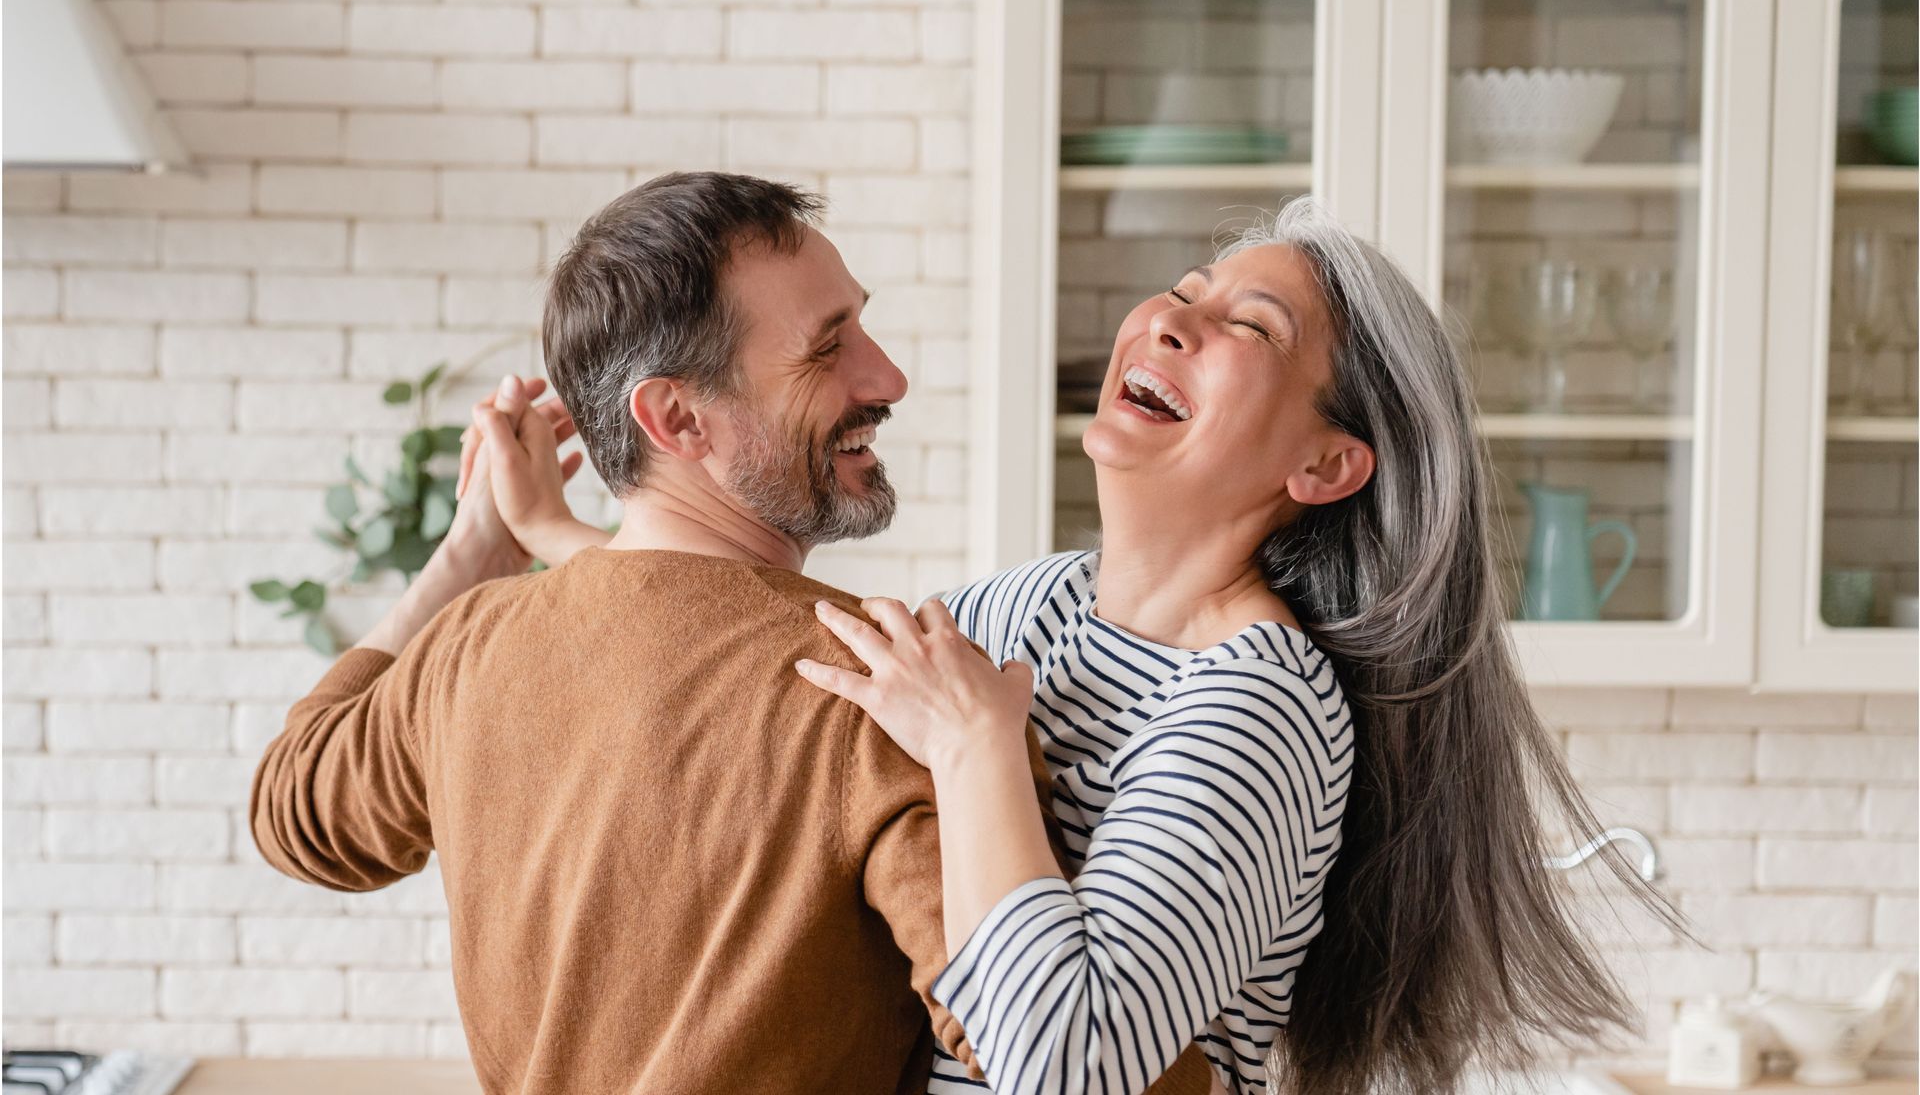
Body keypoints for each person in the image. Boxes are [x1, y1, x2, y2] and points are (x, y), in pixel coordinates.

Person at [472, 195, 1683, 1095]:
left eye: (1244, 326)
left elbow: (1068, 1062)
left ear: (1325, 463)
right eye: (1188, 290)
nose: (1168, 318)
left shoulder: (1256, 704)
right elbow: (796, 657)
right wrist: (555, 530)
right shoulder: (1036, 608)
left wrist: (980, 752)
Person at [254, 173, 1016, 1094]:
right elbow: (1055, 1050)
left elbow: (295, 814)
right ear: (677, 419)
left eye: (859, 322)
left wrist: (468, 554)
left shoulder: (468, 647)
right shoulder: (885, 690)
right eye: (827, 351)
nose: (886, 376)